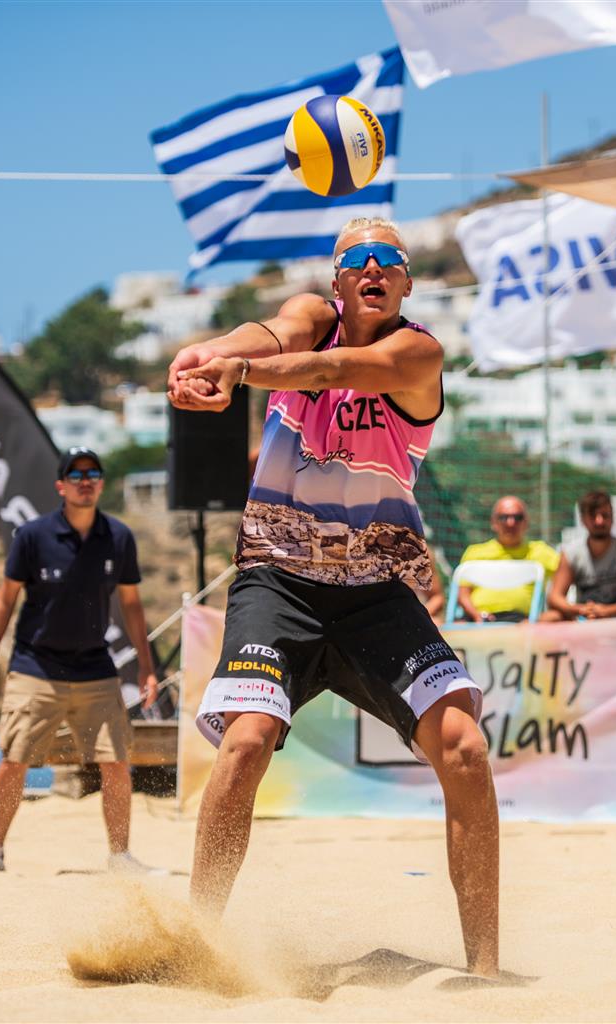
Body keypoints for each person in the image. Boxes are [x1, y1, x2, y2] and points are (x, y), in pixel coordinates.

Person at [167, 217, 499, 977]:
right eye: (357, 259)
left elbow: (335, 370)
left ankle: (485, 971)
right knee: (246, 742)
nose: (373, 268)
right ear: (338, 280)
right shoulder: (310, 318)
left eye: (389, 259)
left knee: (466, 748)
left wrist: (238, 372)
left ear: (408, 281)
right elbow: (275, 334)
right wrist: (209, 354)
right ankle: (194, 941)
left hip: (376, 589)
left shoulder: (418, 353)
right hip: (278, 578)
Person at [0, 446, 161, 875]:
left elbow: (132, 605)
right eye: (75, 474)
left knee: (116, 761)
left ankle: (121, 857)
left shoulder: (118, 537)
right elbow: (4, 600)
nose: (84, 481)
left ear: (101, 484)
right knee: (14, 759)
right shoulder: (33, 536)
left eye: (92, 474)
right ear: (61, 485)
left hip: (95, 667)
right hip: (35, 667)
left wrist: (147, 668)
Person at [455, 496, 561, 623]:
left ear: (526, 522)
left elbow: (568, 576)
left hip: (522, 622)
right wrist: (476, 615)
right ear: (493, 522)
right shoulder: (474, 552)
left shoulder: (541, 551)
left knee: (556, 616)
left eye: (518, 517)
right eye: (504, 517)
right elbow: (463, 594)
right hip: (476, 618)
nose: (511, 523)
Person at [548, 490, 616, 620]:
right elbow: (554, 597)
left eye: (605, 515)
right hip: (584, 618)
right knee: (549, 618)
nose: (599, 521)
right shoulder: (570, 553)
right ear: (582, 519)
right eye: (593, 516)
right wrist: (580, 609)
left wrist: (609, 611)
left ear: (613, 517)